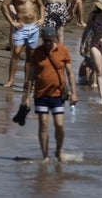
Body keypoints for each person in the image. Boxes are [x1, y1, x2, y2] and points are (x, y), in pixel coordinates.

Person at [21, 26, 78, 161]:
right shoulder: (37, 53)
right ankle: (45, 156)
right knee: (44, 124)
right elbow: (30, 77)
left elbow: (70, 74)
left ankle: (59, 151)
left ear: (54, 39)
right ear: (42, 39)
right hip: (40, 95)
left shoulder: (63, 51)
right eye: (45, 40)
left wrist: (74, 93)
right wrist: (26, 97)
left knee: (59, 125)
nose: (47, 43)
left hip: (58, 94)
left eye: (49, 40)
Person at [1, 0, 44, 88]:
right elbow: (4, 6)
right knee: (16, 52)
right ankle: (10, 80)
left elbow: (41, 5)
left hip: (34, 27)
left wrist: (42, 18)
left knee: (30, 55)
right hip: (20, 26)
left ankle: (27, 81)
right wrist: (12, 22)